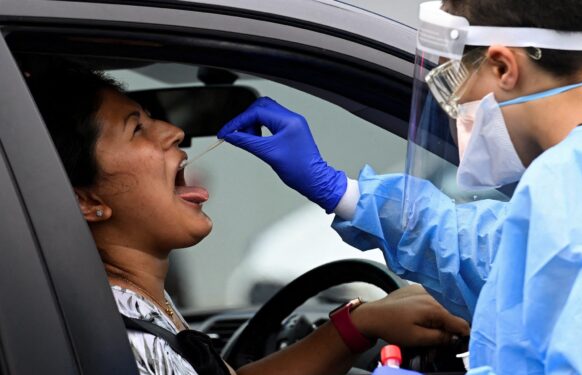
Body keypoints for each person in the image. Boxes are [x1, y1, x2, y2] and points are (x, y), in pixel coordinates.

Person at [216, 0, 582, 374]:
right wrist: (339, 190)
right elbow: (507, 259)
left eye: (452, 84)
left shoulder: (578, 181)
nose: (455, 109)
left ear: (503, 66)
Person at [25, 65, 470, 375]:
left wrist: (359, 325)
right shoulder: (119, 333)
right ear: (86, 200)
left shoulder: (131, 304)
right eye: (136, 127)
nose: (174, 131)